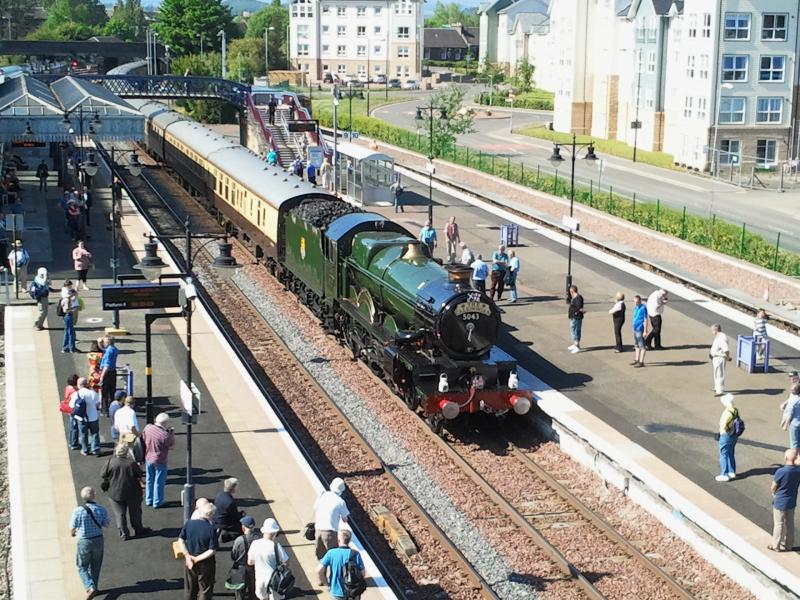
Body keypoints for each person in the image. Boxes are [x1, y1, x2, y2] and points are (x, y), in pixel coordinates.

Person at [101, 443, 147, 540]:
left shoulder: (110, 462)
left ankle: (124, 533)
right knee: (135, 513)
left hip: (115, 493)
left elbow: (103, 474)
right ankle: (138, 530)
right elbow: (140, 474)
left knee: (120, 514)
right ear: (126, 452)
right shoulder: (131, 463)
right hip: (133, 492)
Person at [70, 486, 110, 599]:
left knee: (82, 566)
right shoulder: (101, 509)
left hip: (84, 541)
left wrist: (73, 533)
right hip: (98, 540)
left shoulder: (78, 511)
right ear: (94, 495)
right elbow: (106, 524)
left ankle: (89, 586)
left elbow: (73, 527)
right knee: (96, 565)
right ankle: (95, 588)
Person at [179, 502, 219, 600]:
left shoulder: (189, 523)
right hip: (205, 563)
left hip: (190, 560)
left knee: (190, 588)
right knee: (205, 589)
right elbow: (212, 550)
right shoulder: (211, 529)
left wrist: (187, 556)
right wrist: (197, 559)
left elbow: (180, 540)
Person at [317, 529, 366, 600]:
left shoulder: (331, 553)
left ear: (338, 540)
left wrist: (326, 584)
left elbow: (318, 570)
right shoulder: (356, 554)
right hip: (352, 591)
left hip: (336, 591)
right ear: (349, 540)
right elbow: (363, 573)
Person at [247, 518, 288, 600]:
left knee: (262, 597)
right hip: (274, 579)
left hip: (260, 578)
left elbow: (250, 562)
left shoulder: (255, 544)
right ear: (275, 533)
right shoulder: (276, 546)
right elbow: (286, 561)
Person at [142, 412, 175, 508]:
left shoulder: (147, 428)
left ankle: (149, 499)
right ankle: (157, 501)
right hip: (160, 460)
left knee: (149, 479)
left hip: (148, 457)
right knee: (159, 481)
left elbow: (143, 438)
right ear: (165, 423)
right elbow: (172, 446)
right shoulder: (164, 435)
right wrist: (172, 434)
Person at [770, 448, 800, 552]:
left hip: (780, 501)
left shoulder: (781, 471)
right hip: (792, 500)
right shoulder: (798, 471)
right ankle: (789, 545)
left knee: (779, 524)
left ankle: (776, 545)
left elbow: (773, 486)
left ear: (785, 457)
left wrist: (774, 494)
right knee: (790, 523)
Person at [313, 477, 350, 559]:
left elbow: (315, 508)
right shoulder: (340, 502)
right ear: (341, 490)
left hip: (318, 529)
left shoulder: (323, 495)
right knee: (333, 557)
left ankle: (322, 571)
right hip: (330, 532)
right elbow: (345, 519)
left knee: (321, 558)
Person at [231, 516, 262, 600]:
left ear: (243, 527)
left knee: (239, 593)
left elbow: (233, 556)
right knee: (253, 591)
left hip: (239, 568)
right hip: (254, 568)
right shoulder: (259, 538)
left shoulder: (239, 540)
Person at [71, 377, 102, 456]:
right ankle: (95, 449)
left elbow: (71, 405)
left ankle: (85, 450)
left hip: (82, 418)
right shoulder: (92, 393)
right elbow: (97, 403)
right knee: (95, 433)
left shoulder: (76, 394)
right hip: (93, 416)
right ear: (86, 384)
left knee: (84, 434)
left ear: (79, 385)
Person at [715, 394, 740, 482]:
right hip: (734, 435)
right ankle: (731, 471)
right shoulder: (735, 411)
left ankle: (724, 474)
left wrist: (722, 433)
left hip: (726, 435)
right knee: (731, 452)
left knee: (723, 454)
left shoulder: (727, 412)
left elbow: (723, 425)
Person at [215, 478, 246, 542]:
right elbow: (235, 516)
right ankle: (226, 537)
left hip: (216, 518)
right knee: (242, 528)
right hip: (225, 523)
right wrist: (241, 515)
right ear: (233, 488)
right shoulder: (230, 502)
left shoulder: (219, 495)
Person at [99, 336, 119, 416]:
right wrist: (99, 343)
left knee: (105, 392)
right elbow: (104, 349)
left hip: (107, 373)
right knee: (112, 392)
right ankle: (112, 409)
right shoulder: (114, 349)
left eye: (104, 342)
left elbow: (106, 365)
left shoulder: (108, 352)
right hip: (113, 372)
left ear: (107, 342)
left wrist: (102, 376)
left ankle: (105, 411)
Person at [709, 324, 731, 396]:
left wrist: (728, 357)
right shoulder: (719, 336)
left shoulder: (721, 337)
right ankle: (717, 387)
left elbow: (726, 348)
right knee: (716, 373)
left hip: (719, 357)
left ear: (715, 330)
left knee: (719, 373)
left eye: (712, 330)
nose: (712, 332)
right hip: (716, 357)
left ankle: (720, 390)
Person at [63, 374, 81, 450]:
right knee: (74, 427)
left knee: (72, 426)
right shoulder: (74, 391)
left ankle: (71, 442)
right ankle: (74, 444)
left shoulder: (68, 388)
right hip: (73, 410)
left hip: (68, 409)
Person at [781, 384, 800, 449]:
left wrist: (785, 426)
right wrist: (784, 403)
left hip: (794, 424)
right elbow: (790, 398)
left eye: (792, 390)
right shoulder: (795, 397)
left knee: (794, 444)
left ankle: (795, 457)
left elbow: (790, 414)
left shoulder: (794, 401)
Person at [631, 294, 648, 367]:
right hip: (635, 328)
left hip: (640, 328)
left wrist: (645, 330)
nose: (636, 303)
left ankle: (641, 362)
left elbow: (646, 319)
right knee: (636, 345)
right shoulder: (635, 308)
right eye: (635, 302)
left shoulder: (643, 308)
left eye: (637, 302)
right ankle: (636, 359)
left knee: (642, 346)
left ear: (640, 301)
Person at [568, 285, 585, 354]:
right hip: (573, 317)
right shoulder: (574, 297)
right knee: (573, 329)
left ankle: (577, 346)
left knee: (576, 330)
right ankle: (575, 344)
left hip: (577, 318)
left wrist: (575, 313)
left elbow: (579, 308)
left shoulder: (578, 298)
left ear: (572, 291)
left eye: (570, 292)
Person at [61, 288, 79, 354]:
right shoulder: (68, 300)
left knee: (67, 332)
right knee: (71, 333)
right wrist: (74, 309)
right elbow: (67, 310)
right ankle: (72, 348)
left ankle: (65, 347)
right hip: (69, 316)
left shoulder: (65, 299)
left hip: (66, 316)